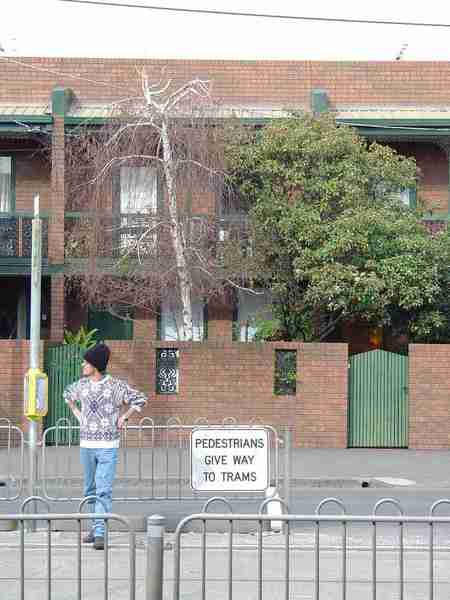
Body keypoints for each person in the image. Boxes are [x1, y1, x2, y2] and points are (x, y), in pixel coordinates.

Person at [64, 343, 147, 550]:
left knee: (103, 489)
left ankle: (100, 533)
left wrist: (124, 417)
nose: (83, 364)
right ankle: (95, 526)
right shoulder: (81, 385)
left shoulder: (115, 386)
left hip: (107, 444)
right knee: (90, 488)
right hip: (86, 444)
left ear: (96, 364)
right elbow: (67, 395)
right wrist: (78, 415)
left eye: (86, 361)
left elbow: (140, 398)